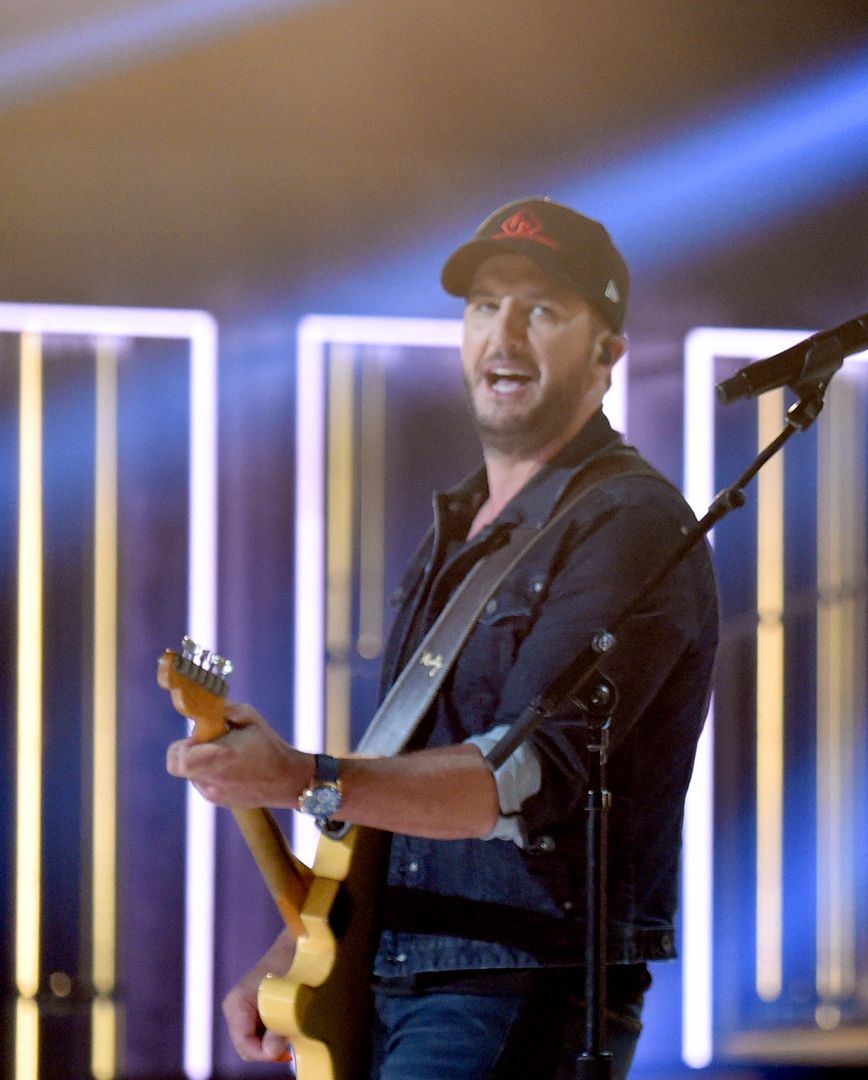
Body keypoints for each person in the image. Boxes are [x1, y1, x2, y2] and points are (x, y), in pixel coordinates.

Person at [168, 197, 719, 1077]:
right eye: (484, 305)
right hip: (396, 972)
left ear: (607, 353)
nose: (504, 335)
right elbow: (403, 795)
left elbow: (516, 776)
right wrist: (300, 945)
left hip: (520, 983)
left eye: (542, 309)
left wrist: (299, 776)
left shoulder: (630, 525)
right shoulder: (458, 531)